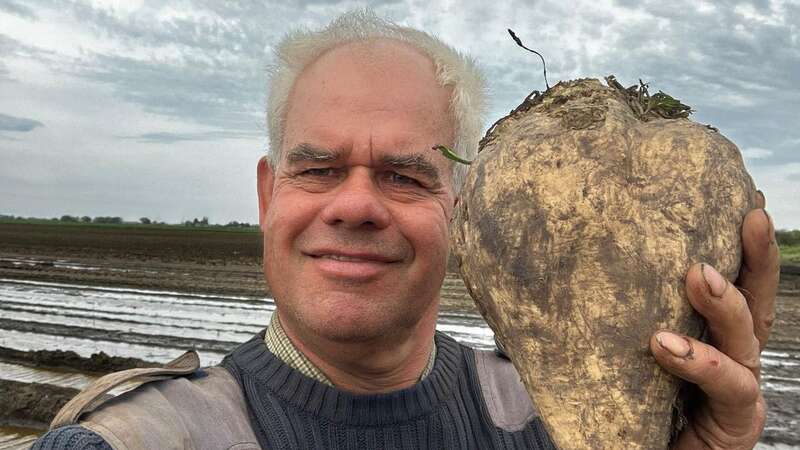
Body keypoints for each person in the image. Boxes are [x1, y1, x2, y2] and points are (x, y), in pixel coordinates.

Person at [32, 10, 779, 450]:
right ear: (268, 194)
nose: (355, 205)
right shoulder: (134, 442)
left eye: (404, 175)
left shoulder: (549, 424)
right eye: (318, 168)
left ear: (463, 212)